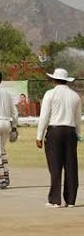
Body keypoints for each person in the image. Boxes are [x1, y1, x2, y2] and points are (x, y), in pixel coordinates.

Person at [36, 68, 82, 208]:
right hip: (70, 131)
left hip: (55, 131)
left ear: (54, 80)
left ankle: (55, 200)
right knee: (71, 165)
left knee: (55, 166)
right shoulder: (75, 96)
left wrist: (39, 135)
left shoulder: (50, 94)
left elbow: (44, 117)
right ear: (66, 81)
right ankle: (71, 200)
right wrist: (78, 135)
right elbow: (77, 119)